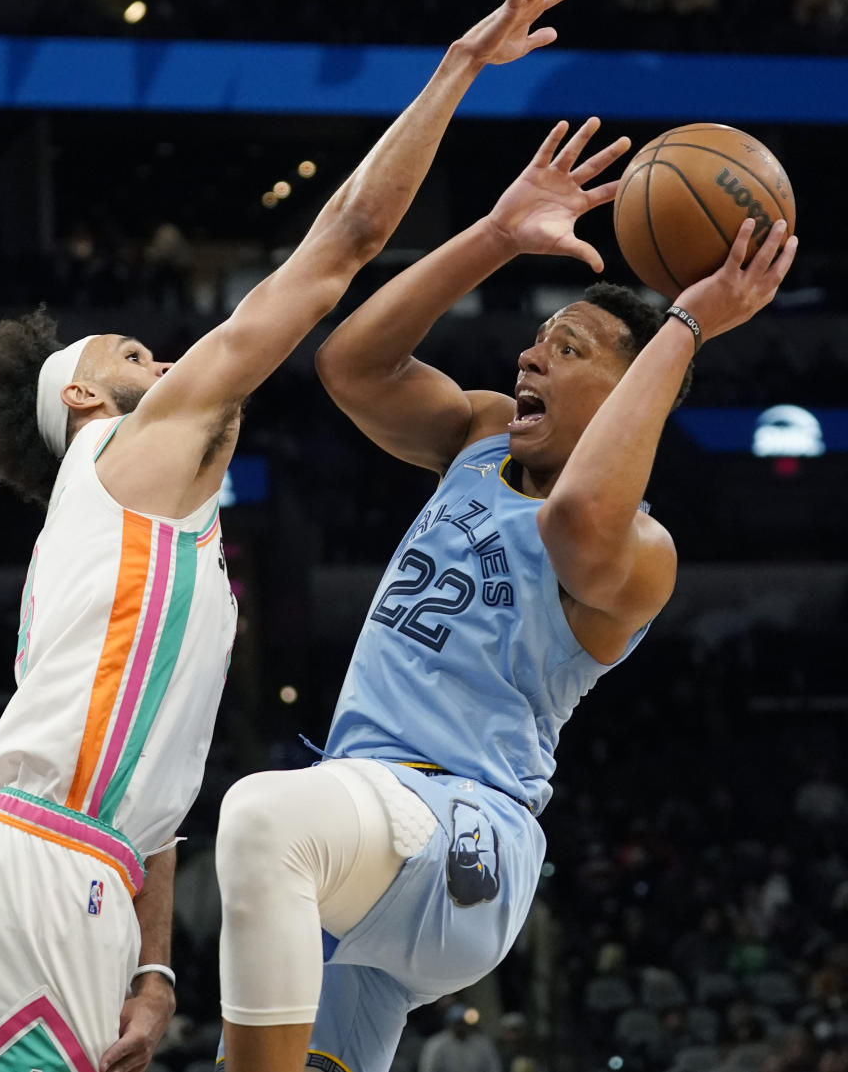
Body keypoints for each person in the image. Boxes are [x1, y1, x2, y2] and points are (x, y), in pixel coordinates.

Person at [0, 0, 592, 1072]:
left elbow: (153, 782)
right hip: (39, 869)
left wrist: (152, 966)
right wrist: (459, 67)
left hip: (88, 872)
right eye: (140, 353)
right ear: (87, 400)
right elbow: (338, 250)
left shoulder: (135, 535)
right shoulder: (129, 448)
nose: (176, 357)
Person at [212, 116, 798, 1068]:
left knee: (259, 818)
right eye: (535, 342)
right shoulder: (481, 438)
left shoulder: (643, 551)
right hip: (365, 829)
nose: (527, 359)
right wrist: (496, 233)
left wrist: (685, 325)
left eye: (566, 349)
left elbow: (576, 520)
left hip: (462, 837)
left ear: (629, 390)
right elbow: (351, 366)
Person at [418, 1004, 502, 1072]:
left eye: (463, 1023)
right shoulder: (436, 1044)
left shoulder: (482, 1042)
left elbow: (493, 1067)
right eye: (458, 1023)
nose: (461, 1026)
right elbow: (428, 1069)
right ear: (450, 1024)